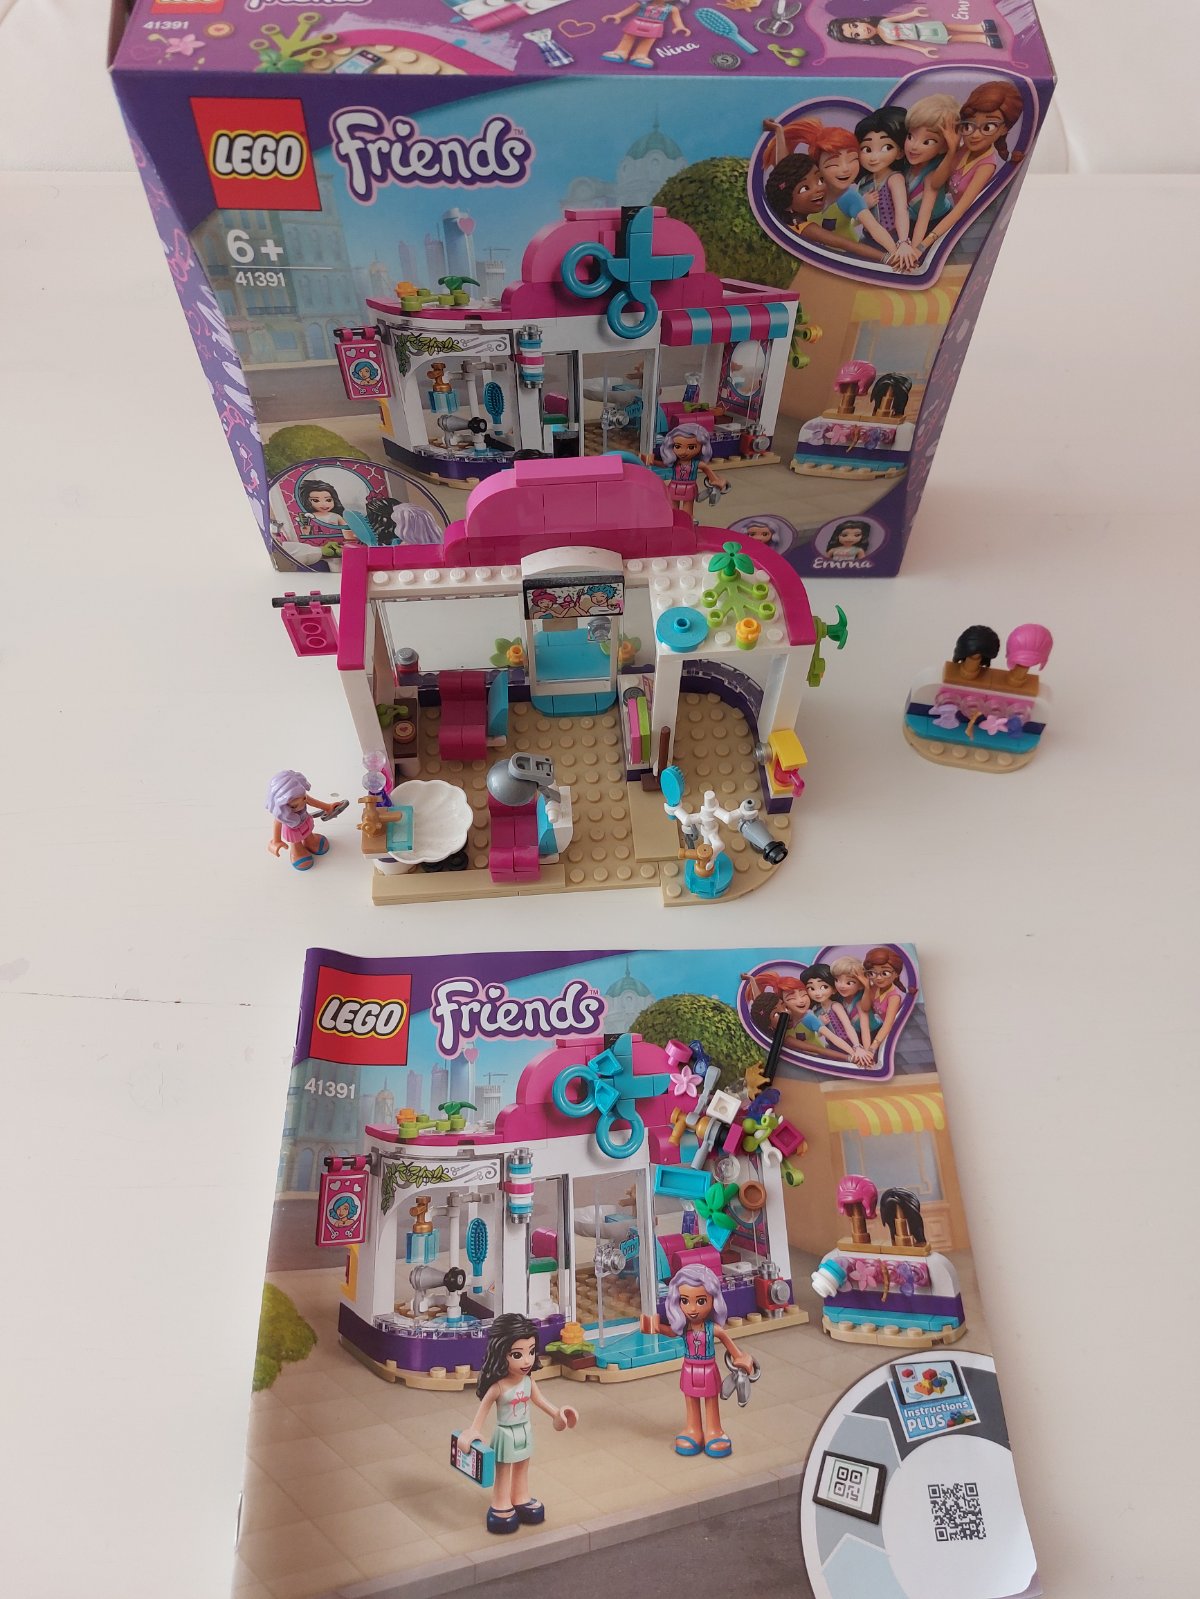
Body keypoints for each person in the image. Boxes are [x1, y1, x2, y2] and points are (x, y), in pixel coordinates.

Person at [455, 1314, 579, 1535]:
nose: (527, 1361)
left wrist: (557, 1414)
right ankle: (500, 1502)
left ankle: (520, 1497)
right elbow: (483, 1410)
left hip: (524, 1430)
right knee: (503, 1470)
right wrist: (473, 1431)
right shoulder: (498, 1387)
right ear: (500, 1353)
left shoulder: (528, 1381)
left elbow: (540, 1401)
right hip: (505, 1433)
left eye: (531, 1352)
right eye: (517, 1355)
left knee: (522, 1466)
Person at [644, 1264, 756, 1457]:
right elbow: (670, 1331)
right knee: (691, 1400)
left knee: (711, 1401)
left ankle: (714, 1431)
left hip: (708, 1369)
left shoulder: (714, 1329)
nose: (693, 1308)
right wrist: (654, 1326)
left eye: (701, 1301)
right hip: (689, 1369)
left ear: (713, 1300)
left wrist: (741, 1358)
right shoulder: (683, 1328)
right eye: (685, 1301)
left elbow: (731, 1346)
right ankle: (693, 1430)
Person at [918, 81, 1024, 256]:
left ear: (1004, 129)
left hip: (974, 228)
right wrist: (952, 150)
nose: (975, 135)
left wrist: (923, 245)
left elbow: (961, 210)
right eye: (969, 126)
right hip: (953, 222)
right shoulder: (963, 150)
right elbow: (935, 184)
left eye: (988, 127)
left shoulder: (987, 166)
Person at [265, 771, 347, 871]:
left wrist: (328, 807)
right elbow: (277, 824)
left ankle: (310, 841)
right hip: (293, 831)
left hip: (306, 823)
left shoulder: (301, 797)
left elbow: (313, 802)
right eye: (294, 806)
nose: (302, 804)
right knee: (296, 843)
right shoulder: (282, 815)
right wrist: (276, 841)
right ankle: (297, 851)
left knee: (309, 834)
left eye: (304, 798)